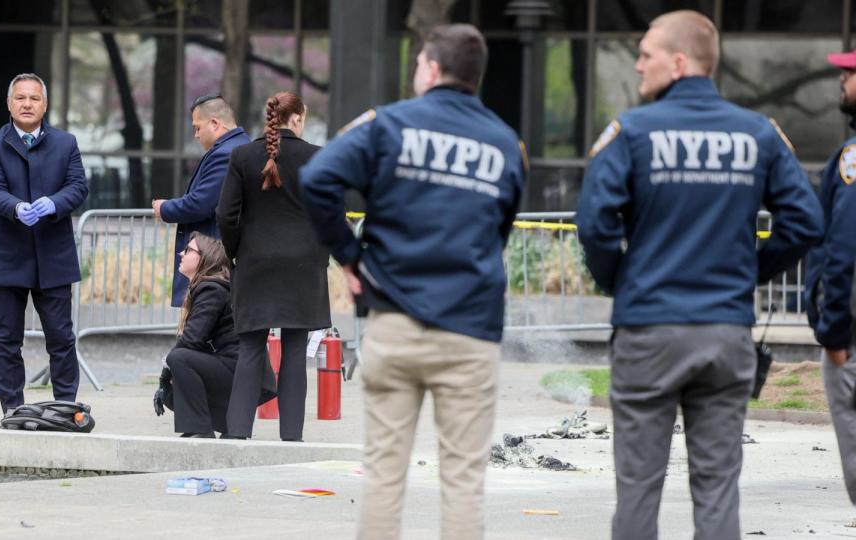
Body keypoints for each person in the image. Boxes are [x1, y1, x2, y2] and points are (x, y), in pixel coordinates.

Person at [574, 11, 823, 540]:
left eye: (647, 54)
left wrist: (622, 279)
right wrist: (747, 273)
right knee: (717, 489)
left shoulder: (634, 130)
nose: (638, 63)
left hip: (649, 330)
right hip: (725, 330)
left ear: (680, 62)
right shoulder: (758, 133)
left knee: (638, 486)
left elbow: (594, 224)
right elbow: (805, 222)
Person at [299, 24, 525, 540]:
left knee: (384, 475)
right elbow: (501, 227)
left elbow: (317, 179)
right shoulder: (506, 143)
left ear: (429, 68)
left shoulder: (388, 125)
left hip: (395, 320)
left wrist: (351, 256)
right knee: (464, 480)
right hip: (470, 330)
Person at [216, 91, 331, 442]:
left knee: (251, 348)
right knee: (295, 350)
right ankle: (291, 437)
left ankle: (237, 434)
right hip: (303, 265)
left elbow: (225, 214)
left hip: (255, 263)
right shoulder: (317, 158)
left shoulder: (242, 156)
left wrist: (238, 253)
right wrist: (319, 256)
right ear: (296, 119)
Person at [0, 73, 89, 414]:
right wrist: (16, 207)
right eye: (21, 98)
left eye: (34, 98)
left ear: (45, 104)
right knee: (8, 339)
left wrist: (54, 203)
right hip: (7, 256)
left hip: (53, 256)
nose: (27, 104)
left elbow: (78, 186)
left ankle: (66, 408)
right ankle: (13, 408)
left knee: (61, 338)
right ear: (9, 104)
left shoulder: (65, 143)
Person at [151, 232, 276, 438]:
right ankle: (218, 426)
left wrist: (165, 374)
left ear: (205, 258)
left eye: (189, 250)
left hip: (239, 372)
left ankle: (201, 430)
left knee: (178, 359)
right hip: (238, 371)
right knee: (173, 387)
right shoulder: (213, 286)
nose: (181, 253)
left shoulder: (212, 289)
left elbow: (192, 340)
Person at [805, 48, 856, 508]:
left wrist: (834, 331)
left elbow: (842, 251)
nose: (843, 80)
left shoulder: (853, 162)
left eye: (852, 72)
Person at [152, 94, 249, 307]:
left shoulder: (225, 153)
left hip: (212, 261)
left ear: (215, 123)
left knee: (201, 333)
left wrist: (165, 208)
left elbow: (201, 204)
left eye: (197, 127)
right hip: (223, 259)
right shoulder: (237, 146)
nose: (195, 135)